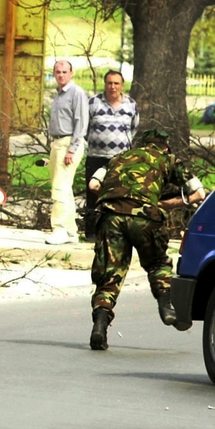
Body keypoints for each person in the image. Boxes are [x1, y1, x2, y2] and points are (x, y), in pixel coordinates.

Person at [87, 129, 206, 351]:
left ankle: (100, 327)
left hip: (110, 217)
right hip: (145, 219)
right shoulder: (168, 160)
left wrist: (115, 199)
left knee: (110, 274)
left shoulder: (119, 157)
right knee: (157, 263)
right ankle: (166, 305)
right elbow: (198, 193)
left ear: (143, 144)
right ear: (165, 146)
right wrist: (168, 204)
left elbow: (94, 184)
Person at [85, 70, 138, 241]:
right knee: (93, 193)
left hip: (120, 159)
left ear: (122, 85)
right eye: (109, 83)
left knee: (118, 195)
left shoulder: (130, 104)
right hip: (96, 157)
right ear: (105, 84)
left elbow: (134, 128)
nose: (112, 87)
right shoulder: (93, 103)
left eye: (116, 83)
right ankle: (92, 232)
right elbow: (84, 129)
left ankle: (114, 232)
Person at [46, 60, 88, 245]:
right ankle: (71, 231)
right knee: (64, 187)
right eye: (58, 72)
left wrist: (72, 148)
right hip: (58, 143)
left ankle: (60, 229)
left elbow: (81, 122)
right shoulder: (59, 94)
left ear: (71, 73)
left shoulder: (76, 93)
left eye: (64, 72)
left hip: (68, 143)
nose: (61, 75)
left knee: (59, 188)